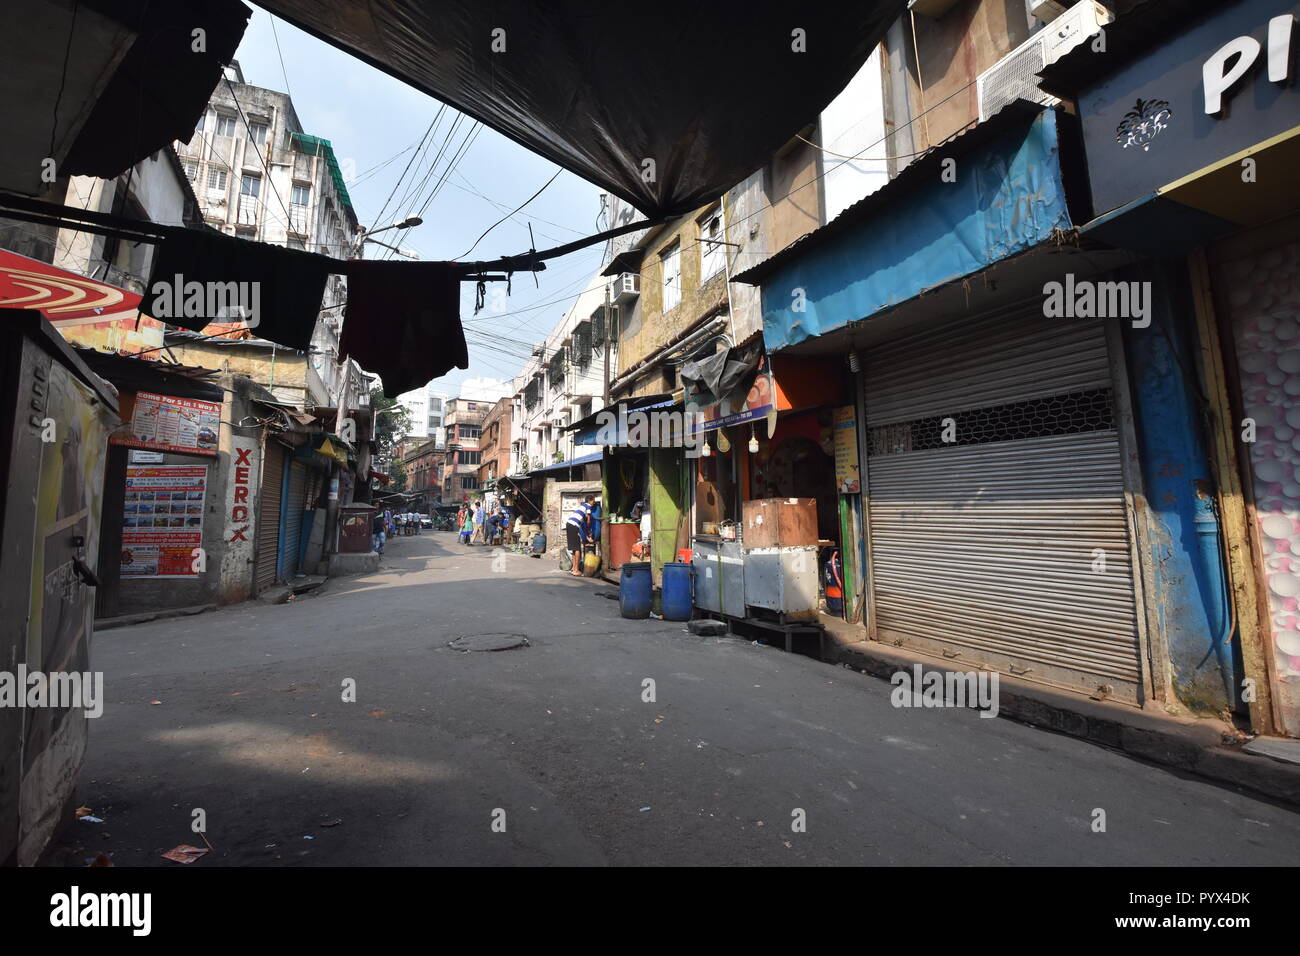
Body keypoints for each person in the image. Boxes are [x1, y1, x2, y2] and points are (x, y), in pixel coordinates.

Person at [565, 494, 595, 576]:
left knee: (574, 548)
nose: (594, 502)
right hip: (574, 526)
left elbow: (582, 526)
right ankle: (576, 570)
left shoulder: (581, 508)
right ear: (590, 500)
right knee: (578, 549)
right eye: (593, 500)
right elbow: (588, 521)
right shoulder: (588, 506)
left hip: (569, 524)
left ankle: (574, 569)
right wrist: (590, 530)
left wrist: (587, 537)